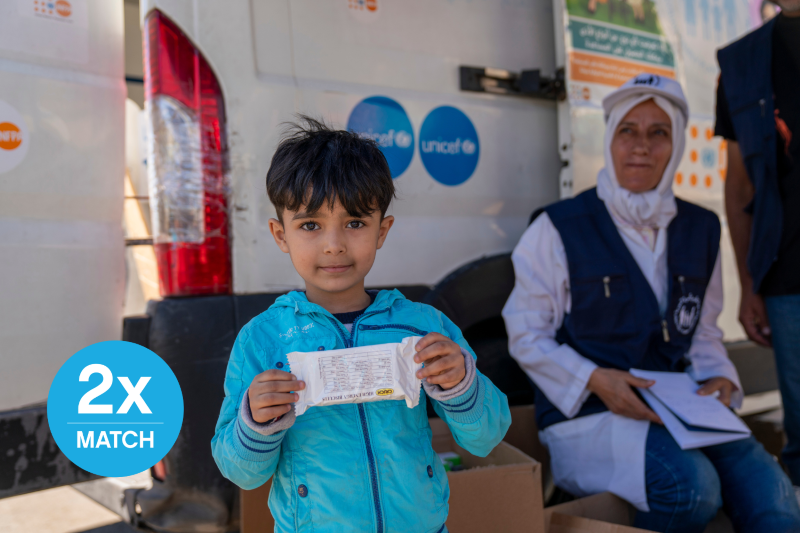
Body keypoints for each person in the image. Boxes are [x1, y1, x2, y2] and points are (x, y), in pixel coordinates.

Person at [502, 74, 800, 532]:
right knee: (690, 489)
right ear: (610, 139)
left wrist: (719, 375)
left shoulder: (700, 228)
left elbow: (702, 333)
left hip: (680, 410)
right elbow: (526, 335)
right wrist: (596, 379)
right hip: (587, 415)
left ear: (677, 142)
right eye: (628, 130)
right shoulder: (559, 227)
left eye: (658, 132)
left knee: (774, 495)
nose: (641, 146)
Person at [210, 117, 510, 533]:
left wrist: (462, 386)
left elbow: (486, 436)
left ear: (382, 230)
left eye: (354, 223)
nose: (334, 244)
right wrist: (254, 423)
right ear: (281, 235)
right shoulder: (262, 340)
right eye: (310, 225)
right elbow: (241, 472)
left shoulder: (423, 326)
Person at [715, 0, 800, 491]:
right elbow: (739, 183)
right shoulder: (743, 62)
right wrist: (749, 285)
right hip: (788, 278)